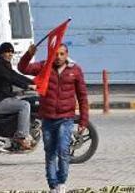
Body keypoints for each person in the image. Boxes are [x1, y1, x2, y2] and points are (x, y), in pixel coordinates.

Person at [18, 43, 89, 193]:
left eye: (62, 54)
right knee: (50, 153)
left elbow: (82, 96)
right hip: (48, 118)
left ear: (66, 54)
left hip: (66, 118)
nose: (58, 57)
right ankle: (53, 186)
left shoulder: (75, 70)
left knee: (63, 150)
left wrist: (83, 120)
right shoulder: (44, 66)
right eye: (56, 54)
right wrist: (28, 54)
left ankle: (62, 182)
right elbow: (23, 68)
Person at [0, 42, 36, 149]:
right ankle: (21, 136)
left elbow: (15, 75)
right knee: (24, 105)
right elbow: (10, 77)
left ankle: (21, 128)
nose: (10, 54)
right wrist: (27, 85)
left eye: (12, 52)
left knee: (28, 97)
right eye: (7, 52)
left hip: (4, 97)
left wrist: (33, 83)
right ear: (1, 53)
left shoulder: (4, 64)